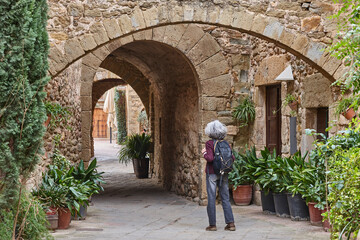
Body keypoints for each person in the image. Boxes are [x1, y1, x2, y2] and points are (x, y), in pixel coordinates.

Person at [201, 120, 236, 231]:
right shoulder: (226, 143)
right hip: (224, 173)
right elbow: (232, 158)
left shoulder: (210, 143)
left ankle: (212, 225)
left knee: (211, 198)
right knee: (225, 197)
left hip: (212, 173)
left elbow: (210, 158)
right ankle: (230, 224)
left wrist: (204, 153)